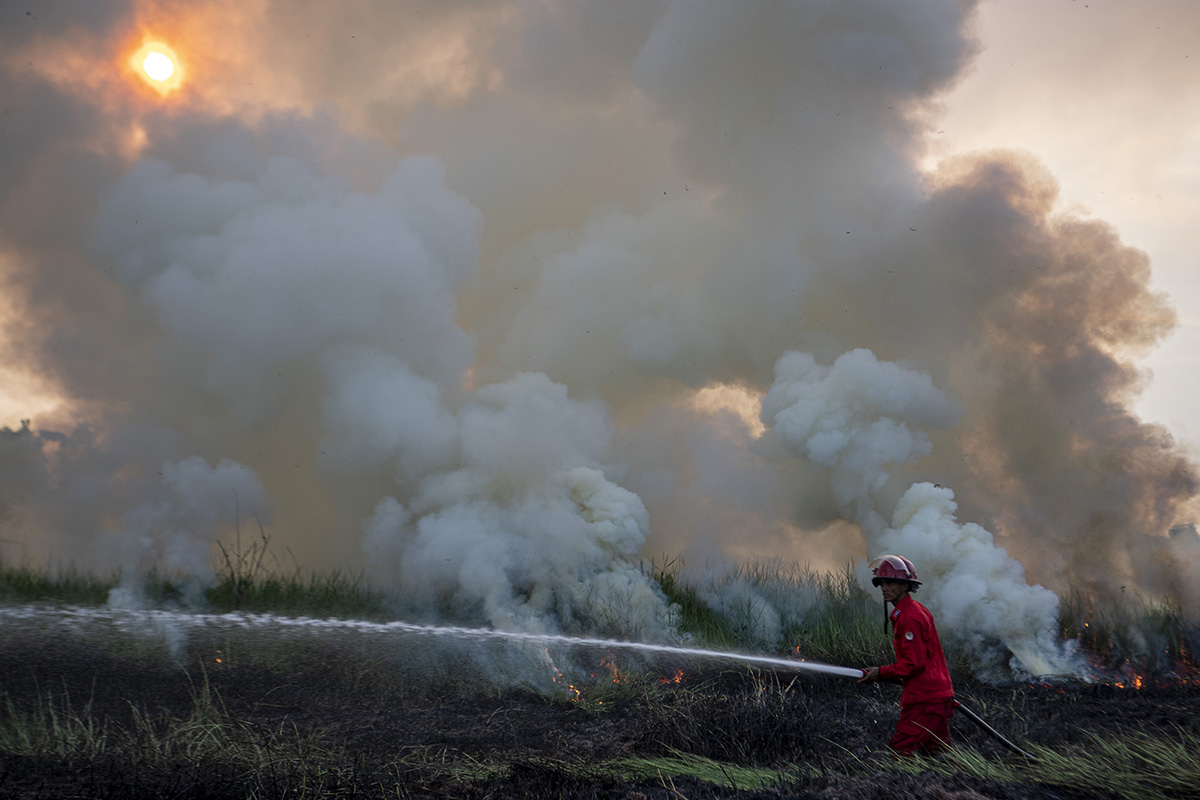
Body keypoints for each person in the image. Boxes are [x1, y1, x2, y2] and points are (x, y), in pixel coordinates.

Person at [858, 554, 955, 756]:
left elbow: (914, 664)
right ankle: (956, 785)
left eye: (891, 582)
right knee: (938, 753)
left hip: (925, 698)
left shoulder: (910, 617)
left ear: (905, 585)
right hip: (934, 694)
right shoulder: (913, 611)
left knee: (902, 750)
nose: (884, 588)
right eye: (882, 583)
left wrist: (881, 673)